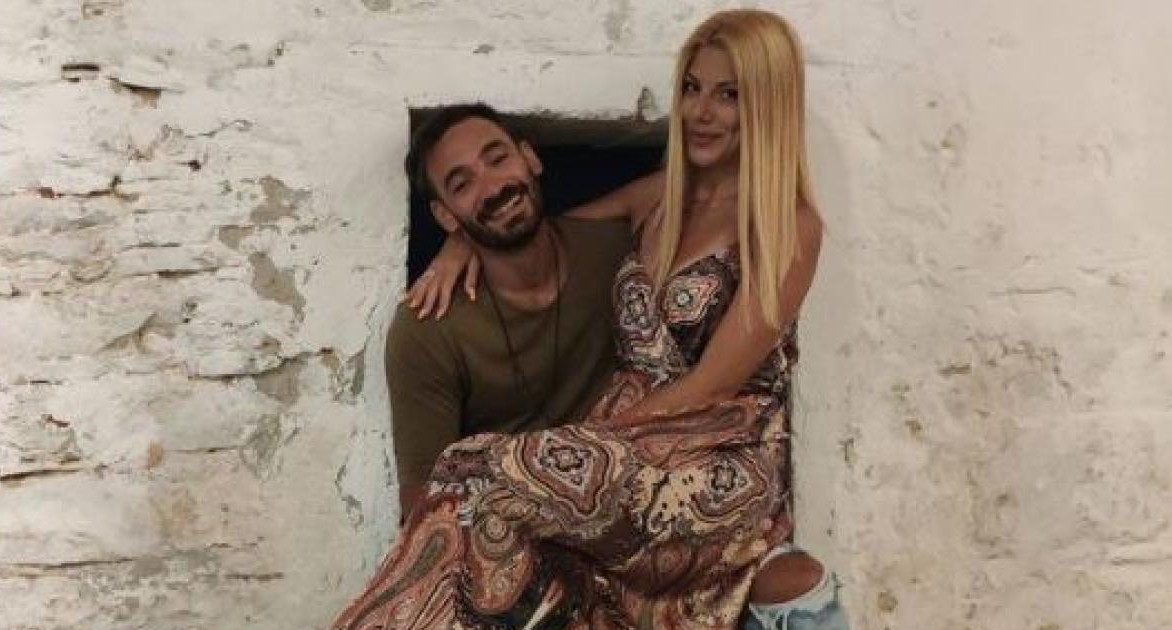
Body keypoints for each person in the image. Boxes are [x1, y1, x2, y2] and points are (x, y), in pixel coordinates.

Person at [334, 9, 847, 629]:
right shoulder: (659, 197)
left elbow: (714, 384)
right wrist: (461, 241)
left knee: (477, 470)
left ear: (767, 102)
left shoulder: (788, 225)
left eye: (728, 95)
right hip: (624, 457)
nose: (701, 112)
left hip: (715, 447)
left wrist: (586, 441)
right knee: (474, 497)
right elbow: (537, 229)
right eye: (691, 89)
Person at [385, 103, 634, 519]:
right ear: (445, 215)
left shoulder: (611, 249)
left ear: (530, 157)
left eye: (498, 159)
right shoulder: (427, 327)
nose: (492, 187)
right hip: (512, 525)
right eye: (462, 184)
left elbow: (697, 188)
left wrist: (463, 240)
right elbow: (421, 500)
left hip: (626, 494)